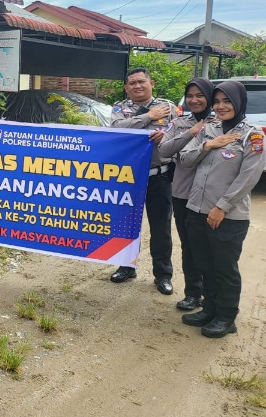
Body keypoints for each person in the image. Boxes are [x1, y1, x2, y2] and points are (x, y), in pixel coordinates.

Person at [178, 80, 264, 338]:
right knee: (204, 264)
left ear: (238, 103)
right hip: (196, 209)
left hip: (227, 216)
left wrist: (222, 207)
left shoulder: (253, 135)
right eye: (217, 102)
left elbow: (249, 176)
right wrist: (209, 145)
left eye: (227, 101)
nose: (221, 106)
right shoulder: (209, 129)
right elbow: (185, 158)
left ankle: (226, 317)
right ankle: (210, 308)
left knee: (224, 268)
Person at [110, 67, 178, 293]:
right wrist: (149, 117)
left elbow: (180, 134)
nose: (137, 86)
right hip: (129, 178)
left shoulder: (168, 108)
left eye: (142, 82)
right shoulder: (121, 108)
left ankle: (163, 275)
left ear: (152, 83)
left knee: (161, 229)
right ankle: (126, 266)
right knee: (126, 226)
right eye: (132, 83)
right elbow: (117, 130)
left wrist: (165, 135)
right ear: (126, 87)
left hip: (158, 176)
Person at [158, 78, 214, 311]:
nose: (194, 100)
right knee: (189, 246)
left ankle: (214, 299)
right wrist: (191, 132)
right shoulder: (180, 123)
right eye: (189, 96)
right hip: (183, 194)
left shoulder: (223, 122)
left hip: (212, 196)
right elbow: (164, 150)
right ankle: (193, 293)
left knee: (212, 248)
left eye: (199, 95)